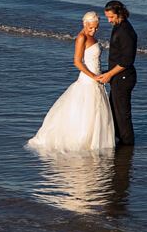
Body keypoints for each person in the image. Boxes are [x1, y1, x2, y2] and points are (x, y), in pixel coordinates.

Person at [27, 12, 115, 154]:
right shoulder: (81, 38)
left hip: (98, 79)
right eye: (91, 28)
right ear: (84, 24)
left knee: (96, 111)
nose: (94, 30)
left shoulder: (92, 37)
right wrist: (93, 76)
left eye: (96, 28)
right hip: (88, 80)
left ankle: (95, 140)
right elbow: (77, 62)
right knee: (86, 111)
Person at [97, 0, 137, 146]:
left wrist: (109, 74)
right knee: (115, 111)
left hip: (124, 78)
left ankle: (128, 146)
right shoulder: (118, 27)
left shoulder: (126, 31)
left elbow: (127, 60)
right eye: (107, 17)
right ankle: (120, 143)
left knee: (122, 115)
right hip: (117, 76)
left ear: (119, 13)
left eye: (111, 17)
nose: (109, 20)